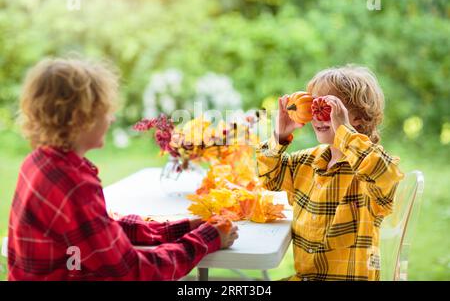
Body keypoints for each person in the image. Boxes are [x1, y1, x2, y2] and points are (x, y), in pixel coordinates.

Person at [8, 57, 238, 280]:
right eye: (105, 111)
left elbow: (102, 233)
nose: (112, 118)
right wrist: (207, 239)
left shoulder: (40, 163)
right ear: (80, 118)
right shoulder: (72, 184)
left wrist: (182, 228)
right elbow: (135, 273)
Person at [256, 65, 404, 281]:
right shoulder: (307, 162)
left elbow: (387, 175)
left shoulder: (367, 168)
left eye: (328, 106)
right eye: (313, 105)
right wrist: (280, 135)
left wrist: (345, 132)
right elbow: (269, 177)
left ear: (359, 118)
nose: (317, 115)